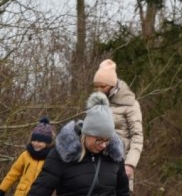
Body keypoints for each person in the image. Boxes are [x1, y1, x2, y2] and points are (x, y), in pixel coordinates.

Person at [29, 92, 130, 196]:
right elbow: (38, 192)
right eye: (99, 139)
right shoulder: (62, 155)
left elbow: (123, 192)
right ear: (86, 133)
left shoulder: (114, 157)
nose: (103, 145)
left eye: (107, 140)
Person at [92, 59, 143, 191]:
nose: (99, 90)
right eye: (96, 86)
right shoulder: (96, 103)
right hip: (96, 164)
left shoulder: (131, 104)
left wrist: (130, 164)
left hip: (120, 164)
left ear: (112, 85)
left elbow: (137, 136)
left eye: (102, 87)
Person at [0, 117, 55, 196]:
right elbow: (13, 172)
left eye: (40, 141)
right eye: (34, 140)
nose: (36, 143)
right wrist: (2, 188)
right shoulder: (26, 155)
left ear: (48, 143)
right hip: (21, 193)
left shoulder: (52, 158)